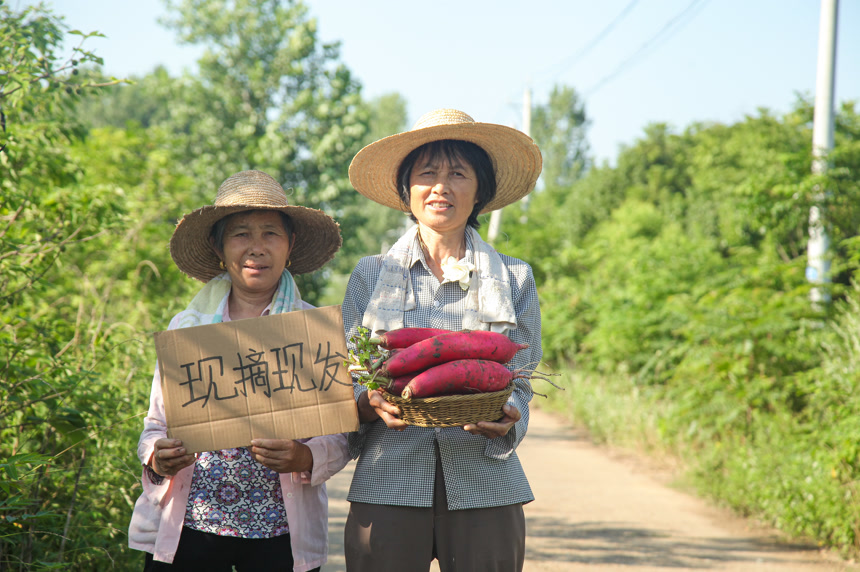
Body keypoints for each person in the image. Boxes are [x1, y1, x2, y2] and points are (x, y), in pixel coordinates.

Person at [341, 109, 544, 571]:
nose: (441, 186)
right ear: (406, 190)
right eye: (427, 173)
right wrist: (367, 399)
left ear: (480, 190)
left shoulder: (514, 277)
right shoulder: (370, 275)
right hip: (387, 477)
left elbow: (522, 380)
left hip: (486, 481)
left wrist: (511, 416)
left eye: (458, 173)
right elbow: (348, 375)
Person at [128, 170, 350, 572]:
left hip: (280, 534)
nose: (256, 248)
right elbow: (155, 425)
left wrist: (304, 455)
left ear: (290, 245)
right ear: (219, 246)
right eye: (241, 234)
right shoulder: (189, 329)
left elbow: (339, 435)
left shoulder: (312, 332)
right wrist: (158, 458)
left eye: (270, 234)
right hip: (192, 523)